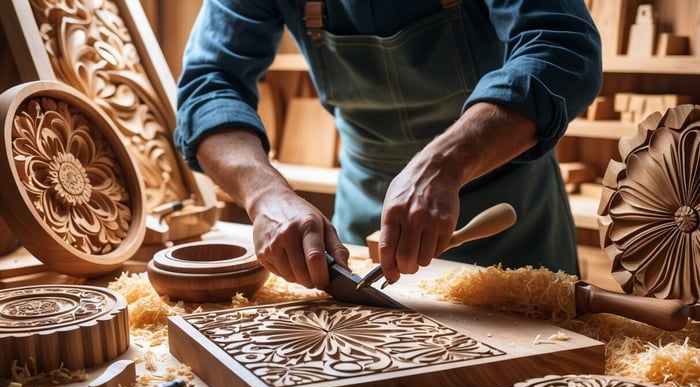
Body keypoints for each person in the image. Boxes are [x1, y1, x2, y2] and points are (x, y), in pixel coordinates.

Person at [175, 0, 602, 291]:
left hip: (511, 214)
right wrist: (266, 195)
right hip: (363, 220)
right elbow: (209, 86)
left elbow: (560, 45)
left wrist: (445, 162)